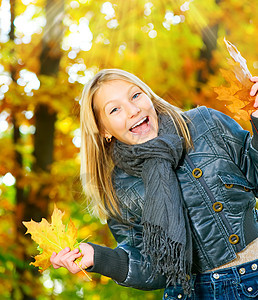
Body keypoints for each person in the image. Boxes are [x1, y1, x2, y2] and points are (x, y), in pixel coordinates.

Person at [50, 69, 258, 299]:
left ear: (149, 96)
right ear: (104, 130)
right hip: (190, 293)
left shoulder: (205, 124)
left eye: (135, 96)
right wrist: (98, 258)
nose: (133, 110)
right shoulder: (116, 188)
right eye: (115, 109)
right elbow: (154, 269)